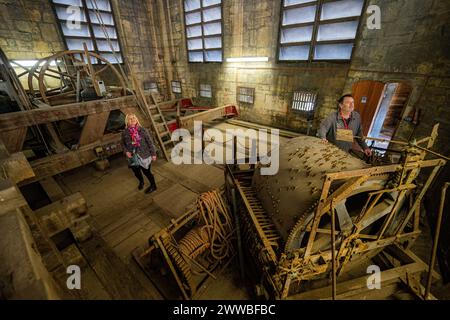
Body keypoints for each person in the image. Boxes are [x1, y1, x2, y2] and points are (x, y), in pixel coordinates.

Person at [121, 113, 158, 193]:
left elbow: (150, 143)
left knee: (147, 172)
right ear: (127, 121)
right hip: (132, 157)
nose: (133, 119)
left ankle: (153, 185)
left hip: (144, 155)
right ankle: (141, 181)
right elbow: (122, 144)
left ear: (136, 119)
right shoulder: (125, 133)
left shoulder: (143, 130)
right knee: (136, 172)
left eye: (134, 118)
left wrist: (153, 154)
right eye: (130, 118)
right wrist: (126, 151)